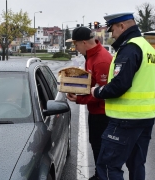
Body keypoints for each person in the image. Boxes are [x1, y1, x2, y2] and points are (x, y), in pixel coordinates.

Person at [90, 12, 155, 180]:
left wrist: (97, 91)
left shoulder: (130, 48)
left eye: (112, 29)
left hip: (125, 120)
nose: (112, 34)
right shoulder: (148, 48)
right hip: (145, 118)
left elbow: (120, 85)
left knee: (107, 166)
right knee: (136, 164)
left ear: (122, 26)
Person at [66, 27, 112, 180]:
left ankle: (103, 176)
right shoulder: (91, 57)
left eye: (76, 45)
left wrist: (79, 99)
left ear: (84, 42)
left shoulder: (101, 60)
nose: (75, 48)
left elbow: (102, 92)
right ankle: (99, 174)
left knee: (101, 147)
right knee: (95, 143)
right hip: (95, 112)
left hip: (103, 113)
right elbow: (91, 83)